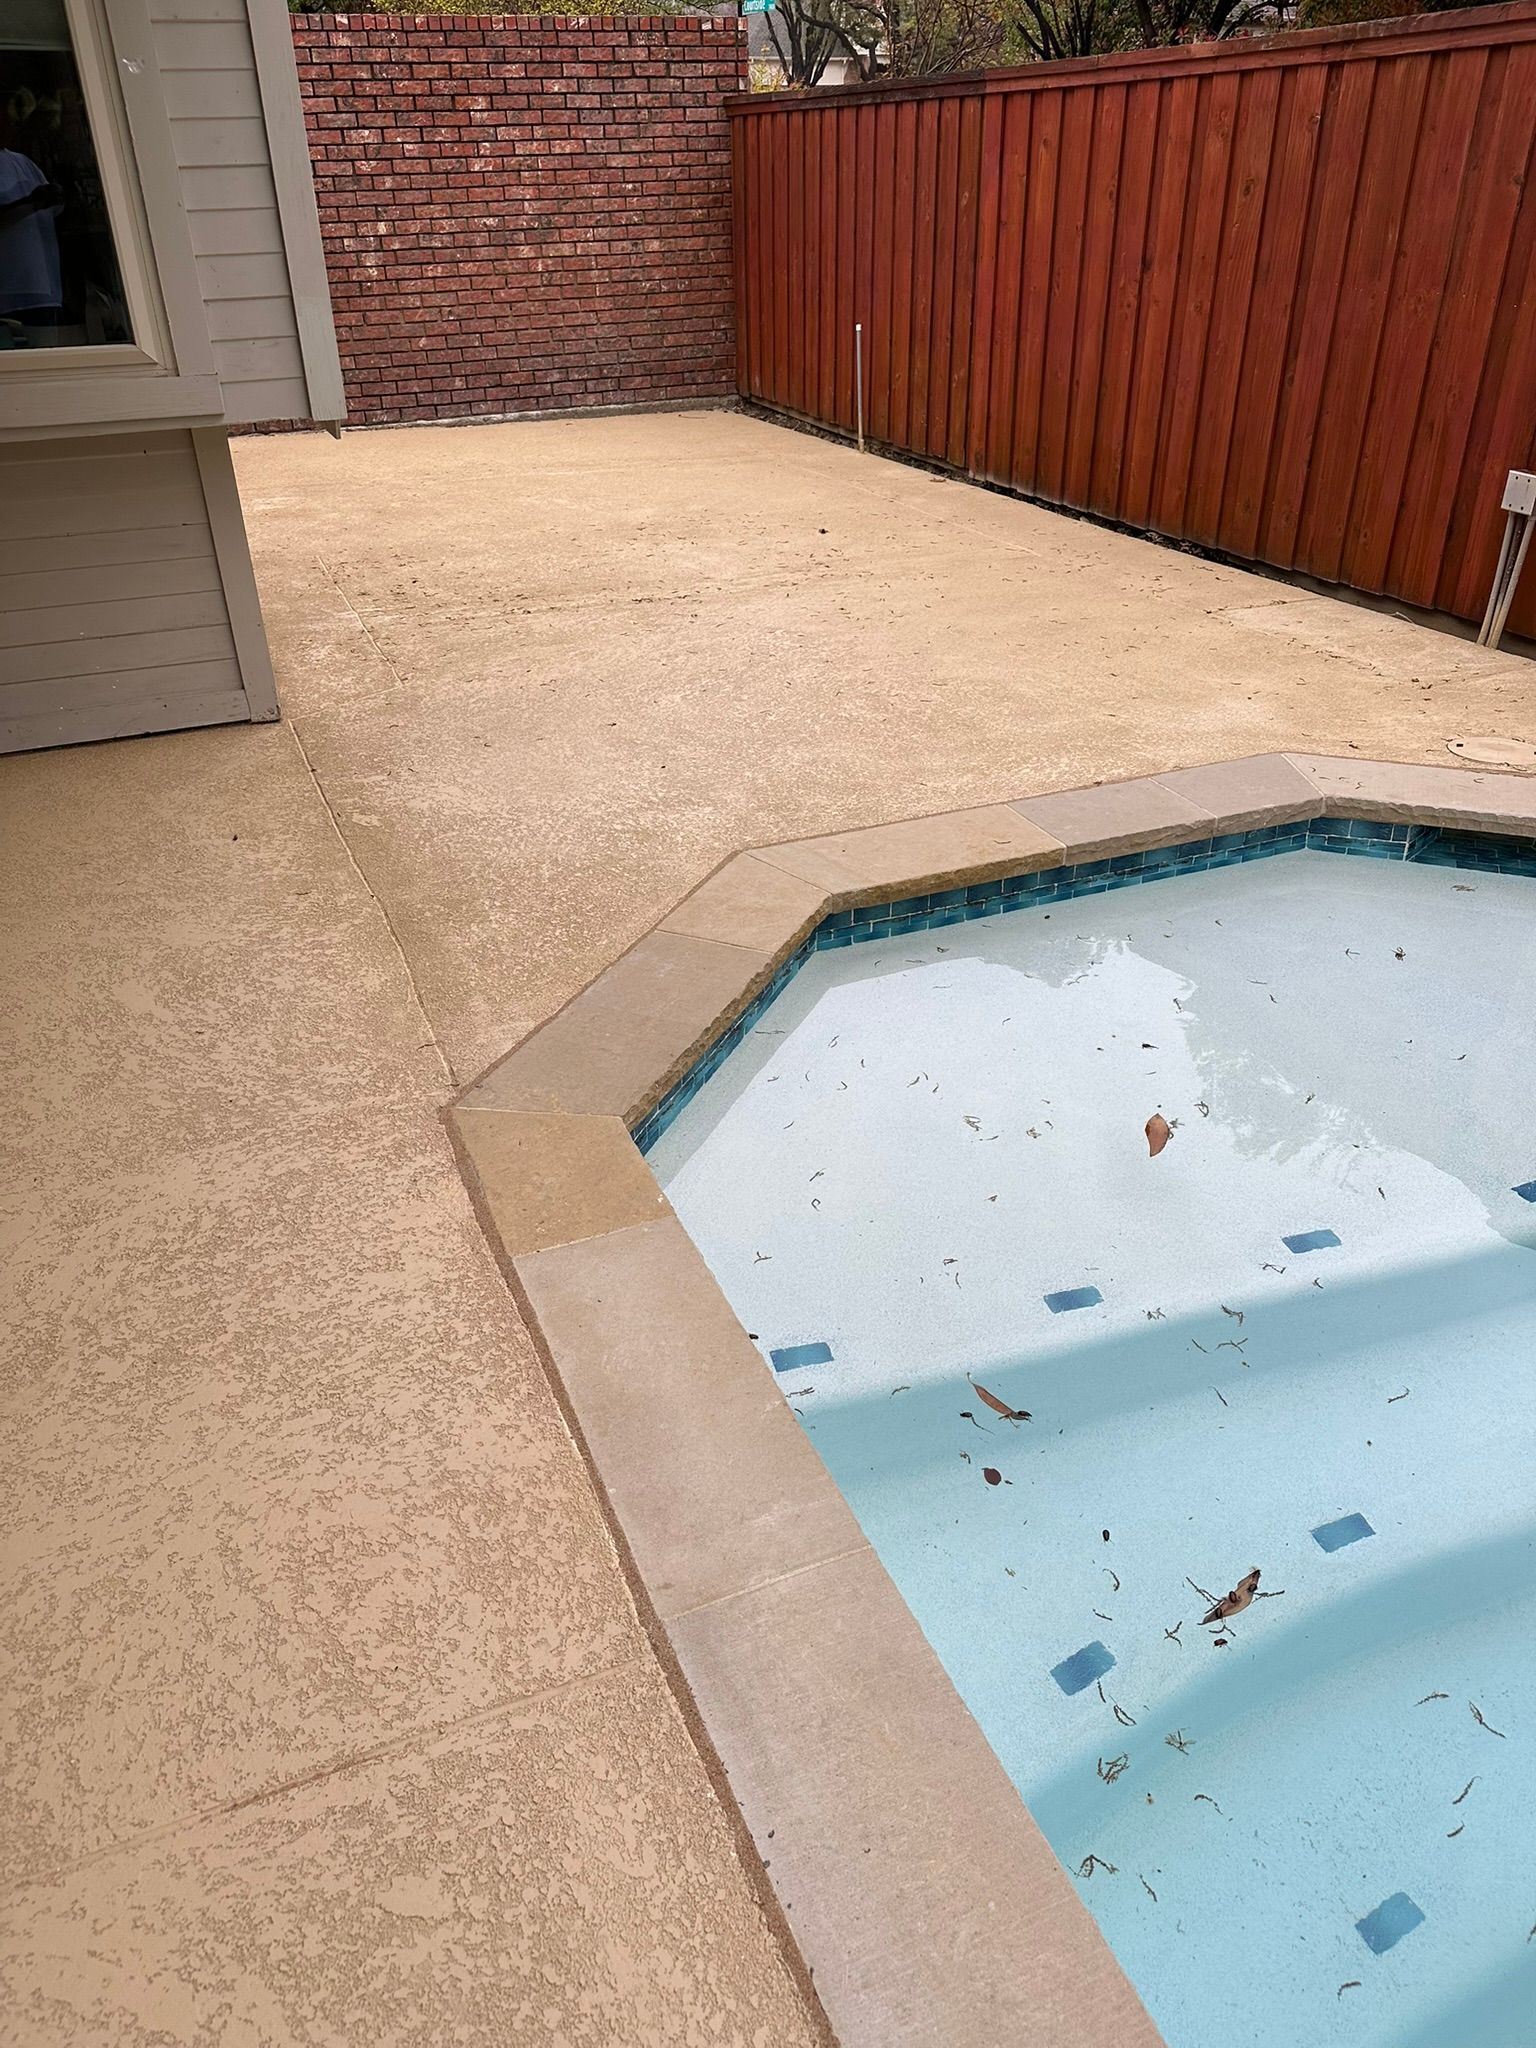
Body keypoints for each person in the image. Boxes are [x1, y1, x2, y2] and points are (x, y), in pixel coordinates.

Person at [0, 147, 63, 332]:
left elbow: (52, 209)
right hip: (9, 294)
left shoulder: (23, 162)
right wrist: (32, 203)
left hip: (43, 293)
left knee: (49, 357)